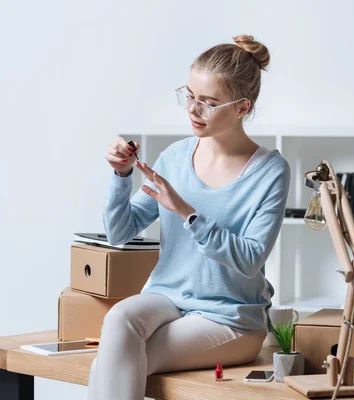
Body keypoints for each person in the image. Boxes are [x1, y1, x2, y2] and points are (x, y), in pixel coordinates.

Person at [87, 34, 290, 400]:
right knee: (119, 318)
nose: (193, 111)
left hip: (230, 319)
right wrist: (120, 176)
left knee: (107, 364)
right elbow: (119, 234)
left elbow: (249, 260)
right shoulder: (176, 157)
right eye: (190, 96)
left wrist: (186, 211)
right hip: (168, 299)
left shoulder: (270, 171)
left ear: (243, 107)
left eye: (209, 103)